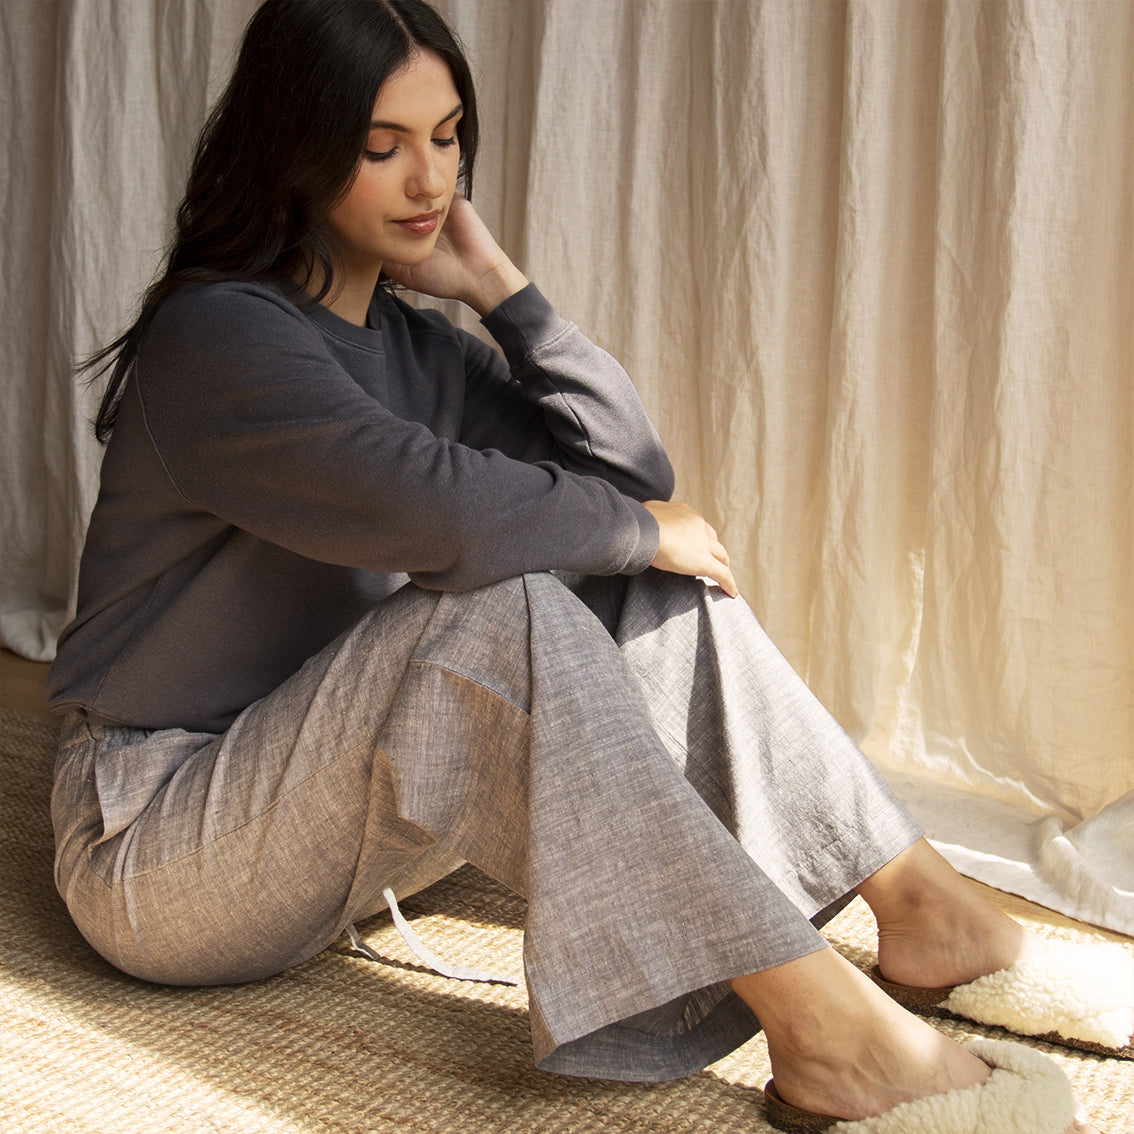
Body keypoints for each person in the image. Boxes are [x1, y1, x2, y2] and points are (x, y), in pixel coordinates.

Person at [46, 2, 1126, 1130]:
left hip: (348, 819)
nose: (431, 179)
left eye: (446, 136)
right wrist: (637, 528)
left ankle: (932, 913)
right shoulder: (218, 337)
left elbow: (632, 480)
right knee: (507, 598)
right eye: (382, 145)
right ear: (297, 147)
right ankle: (826, 1034)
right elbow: (435, 509)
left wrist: (505, 295)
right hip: (160, 841)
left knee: (635, 567)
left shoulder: (418, 347)